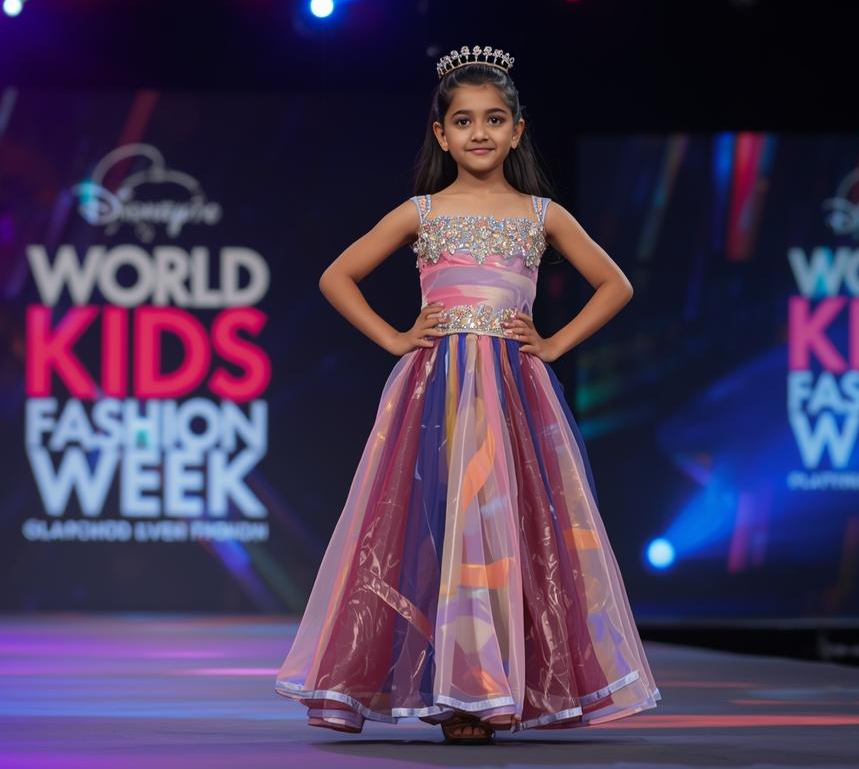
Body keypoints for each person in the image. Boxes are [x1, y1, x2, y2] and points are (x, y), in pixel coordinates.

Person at [273, 45, 662, 743]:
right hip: (436, 390)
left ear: (517, 130)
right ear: (441, 133)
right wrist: (396, 338)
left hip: (514, 389)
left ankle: (491, 687)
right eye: (463, 120)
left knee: (510, 527)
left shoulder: (541, 214)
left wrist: (554, 344)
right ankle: (457, 690)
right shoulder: (422, 212)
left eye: (493, 119)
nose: (479, 132)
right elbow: (337, 276)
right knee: (439, 523)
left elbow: (617, 284)